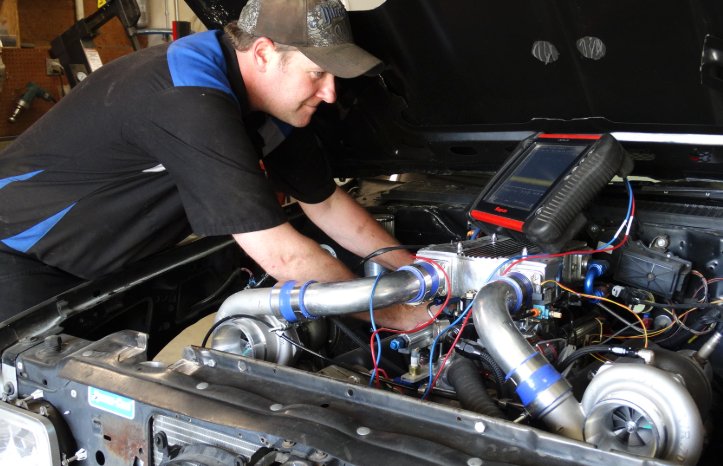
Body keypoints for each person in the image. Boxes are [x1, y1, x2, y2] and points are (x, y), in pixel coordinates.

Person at [0, 0, 431, 329]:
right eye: (317, 73)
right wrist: (399, 317)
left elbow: (327, 203)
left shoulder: (270, 103)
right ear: (263, 53)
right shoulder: (187, 96)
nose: (331, 93)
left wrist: (418, 272)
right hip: (22, 259)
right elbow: (281, 255)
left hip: (108, 266)